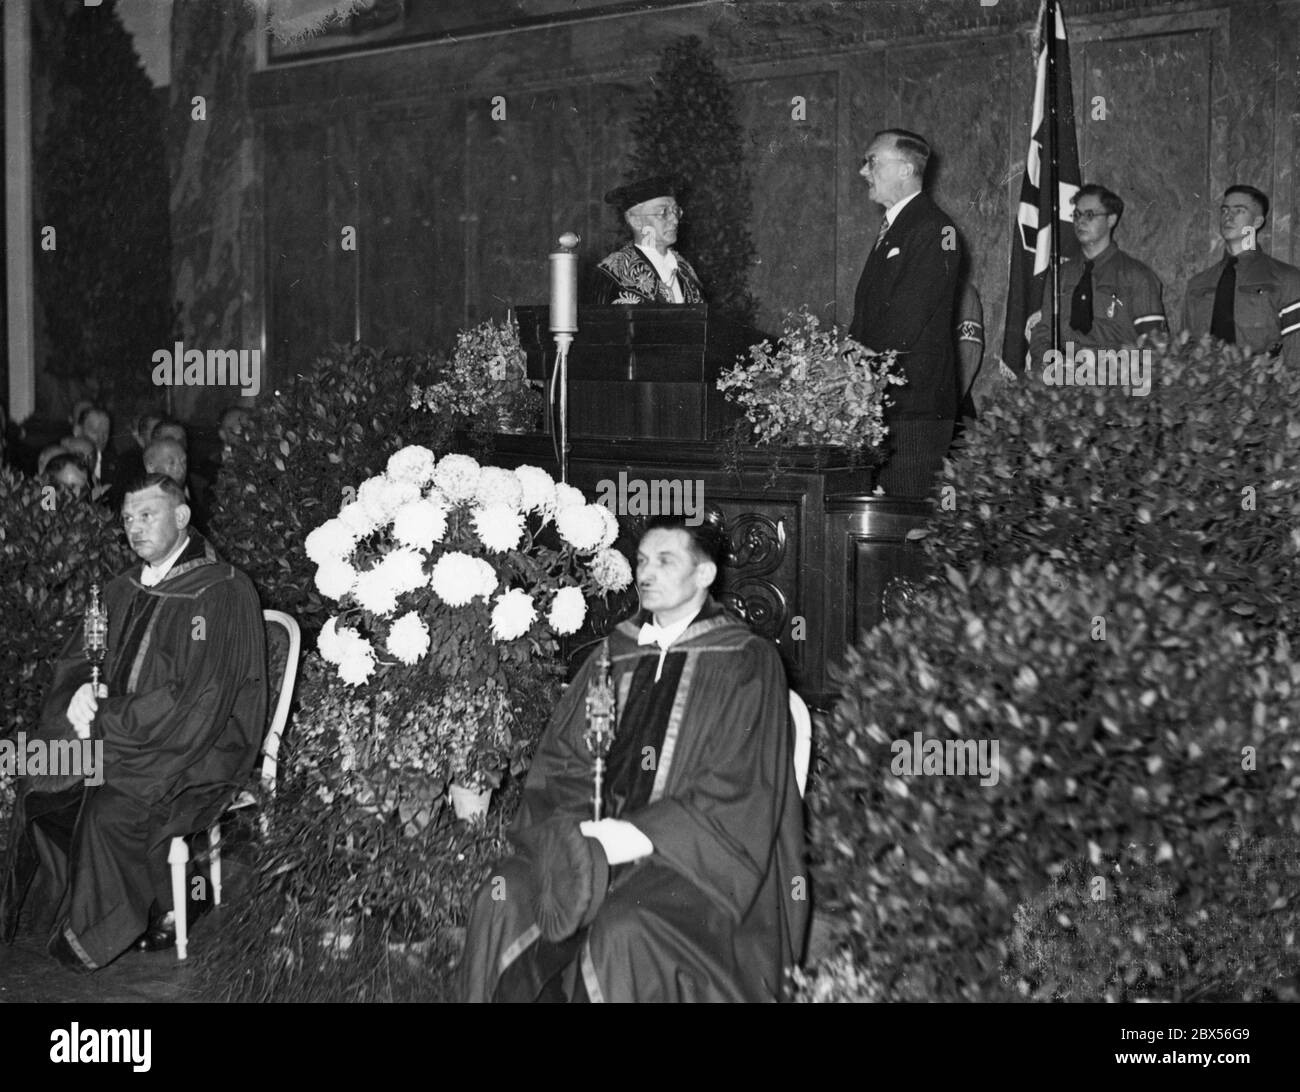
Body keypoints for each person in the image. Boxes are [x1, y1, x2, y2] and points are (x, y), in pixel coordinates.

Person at [459, 513, 807, 1002]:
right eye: (642, 560)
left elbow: (741, 785)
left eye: (665, 561)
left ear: (704, 574)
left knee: (624, 927)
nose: (646, 573)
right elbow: (563, 762)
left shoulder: (746, 661)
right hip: (591, 842)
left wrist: (635, 836)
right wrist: (576, 831)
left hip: (693, 863)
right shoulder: (612, 655)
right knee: (504, 894)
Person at [0, 474, 267, 971]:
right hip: (125, 732)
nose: (135, 528)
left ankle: (147, 909)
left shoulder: (220, 592)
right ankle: (67, 905)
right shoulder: (121, 589)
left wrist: (107, 718)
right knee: (42, 772)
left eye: (148, 515)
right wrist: (79, 694)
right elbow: (79, 660)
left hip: (197, 744)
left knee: (111, 806)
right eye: (127, 519)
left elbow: (198, 699)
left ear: (182, 517)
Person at [850, 129, 962, 497]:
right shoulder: (897, 228)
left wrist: (857, 366)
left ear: (906, 169)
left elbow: (907, 320)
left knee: (903, 520)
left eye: (872, 161)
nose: (863, 171)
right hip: (884, 399)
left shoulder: (935, 227)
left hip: (915, 406)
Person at [1028, 184, 1167, 365]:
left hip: (1117, 383)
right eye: (1077, 215)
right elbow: (1043, 333)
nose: (1080, 221)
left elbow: (1155, 346)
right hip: (1065, 383)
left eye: (1090, 215)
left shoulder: (1136, 276)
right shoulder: (1060, 276)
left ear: (1111, 220)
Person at [1181, 184, 1300, 367]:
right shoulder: (1198, 284)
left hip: (1266, 390)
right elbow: (1186, 349)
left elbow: (1295, 353)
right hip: (1205, 390)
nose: (1228, 217)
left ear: (1257, 222)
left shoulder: (1286, 279)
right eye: (1225, 210)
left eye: (1239, 211)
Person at [592, 176, 704, 305]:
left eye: (675, 211)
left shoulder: (685, 269)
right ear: (636, 221)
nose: (675, 220)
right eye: (663, 212)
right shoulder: (613, 274)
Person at [144, 437, 211, 534]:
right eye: (172, 463)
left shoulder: (193, 508)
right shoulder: (140, 506)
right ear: (151, 468)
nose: (181, 469)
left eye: (183, 462)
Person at [74, 406, 116, 488]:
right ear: (77, 431)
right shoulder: (65, 463)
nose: (101, 438)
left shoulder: (115, 464)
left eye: (105, 432)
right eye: (95, 431)